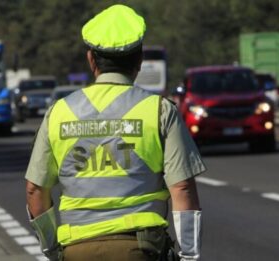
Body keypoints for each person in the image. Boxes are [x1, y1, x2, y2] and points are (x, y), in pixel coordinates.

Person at [25, 4, 205, 261]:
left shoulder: (59, 113)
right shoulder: (159, 111)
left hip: (77, 249)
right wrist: (189, 255)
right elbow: (183, 188)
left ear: (91, 59)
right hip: (141, 248)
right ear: (139, 61)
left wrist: (53, 249)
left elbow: (35, 190)